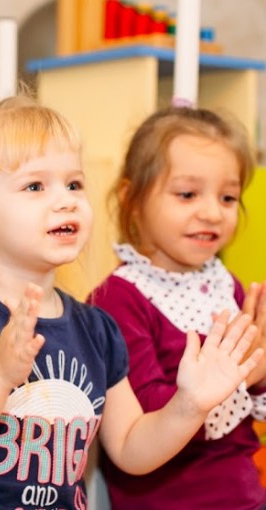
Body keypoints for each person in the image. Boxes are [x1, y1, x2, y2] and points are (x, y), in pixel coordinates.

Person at [0, 96, 262, 509]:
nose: (66, 201)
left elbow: (131, 449)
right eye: (35, 186)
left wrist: (190, 405)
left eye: (74, 184)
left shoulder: (96, 329)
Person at [88, 106, 266, 509]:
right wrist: (242, 379)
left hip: (244, 496)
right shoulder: (118, 299)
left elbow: (251, 412)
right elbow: (146, 416)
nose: (212, 213)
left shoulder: (226, 285)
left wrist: (260, 372)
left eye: (228, 197)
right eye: (187, 194)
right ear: (132, 199)